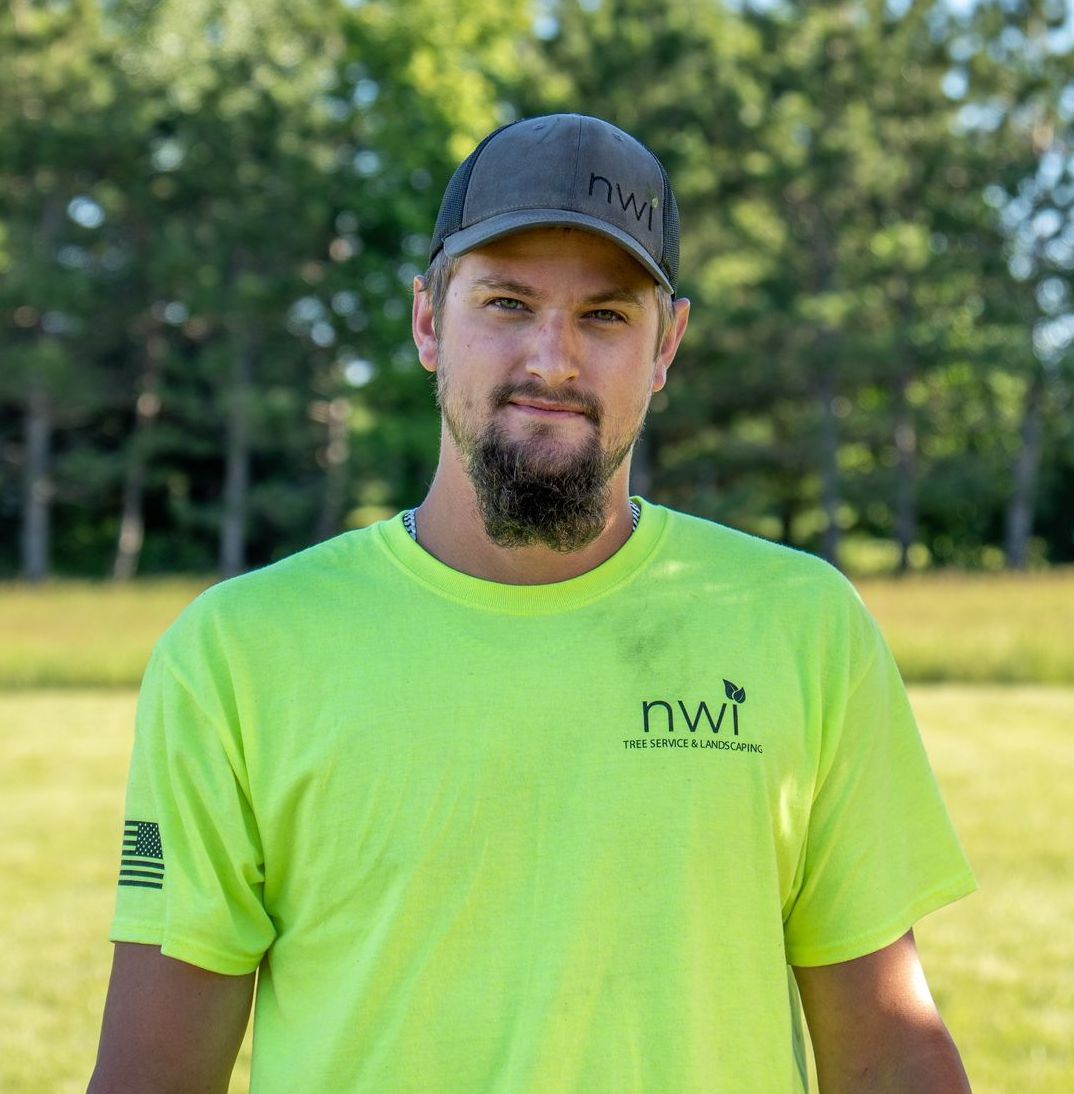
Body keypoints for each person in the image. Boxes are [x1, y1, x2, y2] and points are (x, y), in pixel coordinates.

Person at [89, 113, 976, 1093]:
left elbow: (887, 1044)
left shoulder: (800, 624)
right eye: (506, 303)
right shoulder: (236, 652)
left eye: (604, 315)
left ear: (666, 344)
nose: (552, 359)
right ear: (428, 318)